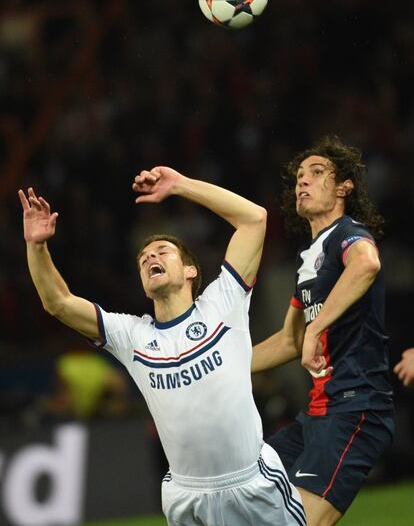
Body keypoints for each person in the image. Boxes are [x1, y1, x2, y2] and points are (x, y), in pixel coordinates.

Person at [19, 167, 306, 526]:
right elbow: (58, 302)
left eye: (162, 251)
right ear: (143, 284)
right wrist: (37, 246)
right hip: (186, 498)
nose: (151, 257)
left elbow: (254, 219)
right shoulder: (131, 336)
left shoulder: (224, 302)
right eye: (144, 259)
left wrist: (181, 186)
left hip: (252, 484)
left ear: (190, 271)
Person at [251, 135, 394, 526]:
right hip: (313, 417)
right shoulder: (308, 259)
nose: (303, 181)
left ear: (345, 187)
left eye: (316, 173)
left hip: (354, 408)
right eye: (299, 175)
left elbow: (366, 265)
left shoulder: (349, 234)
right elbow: (288, 340)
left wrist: (318, 330)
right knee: (242, 491)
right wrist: (220, 368)